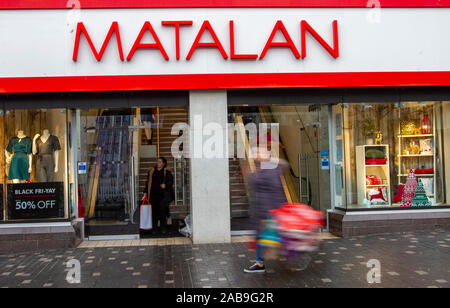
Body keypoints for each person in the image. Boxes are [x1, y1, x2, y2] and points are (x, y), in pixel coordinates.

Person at [244, 146, 287, 273]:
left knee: (268, 237)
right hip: (261, 209)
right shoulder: (262, 168)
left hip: (268, 210)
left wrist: (275, 212)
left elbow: (276, 191)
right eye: (255, 152)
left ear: (267, 155)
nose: (255, 154)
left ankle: (263, 261)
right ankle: (260, 263)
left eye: (259, 152)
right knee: (260, 237)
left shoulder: (271, 169)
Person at [144, 157, 174, 234]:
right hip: (153, 195)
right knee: (154, 213)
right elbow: (148, 182)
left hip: (163, 196)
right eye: (157, 162)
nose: (158, 163)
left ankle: (163, 228)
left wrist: (165, 185)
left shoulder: (166, 171)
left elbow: (171, 182)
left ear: (164, 163)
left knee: (162, 212)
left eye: (160, 162)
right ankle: (154, 228)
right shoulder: (151, 171)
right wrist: (145, 191)